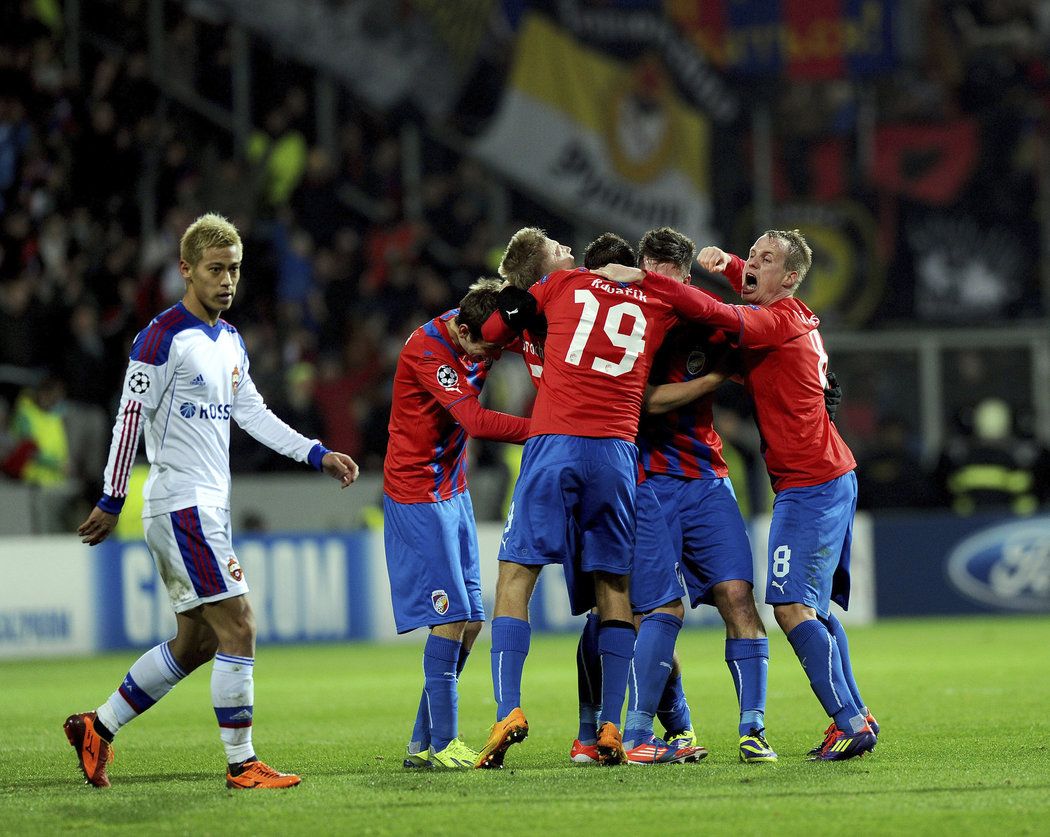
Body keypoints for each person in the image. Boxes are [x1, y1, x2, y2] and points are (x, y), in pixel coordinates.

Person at [65, 213, 360, 790]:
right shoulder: (160, 336)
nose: (227, 281)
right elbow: (129, 417)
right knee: (241, 625)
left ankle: (96, 727)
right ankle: (242, 763)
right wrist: (111, 495)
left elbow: (252, 413)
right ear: (186, 271)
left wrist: (315, 453)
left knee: (196, 642)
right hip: (181, 505)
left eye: (235, 270)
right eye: (215, 270)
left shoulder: (230, 342)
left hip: (204, 507)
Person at [595, 229, 879, 761]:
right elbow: (748, 288)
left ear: (791, 278)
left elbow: (724, 312)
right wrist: (727, 261)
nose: (750, 266)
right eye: (751, 255)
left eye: (764, 260)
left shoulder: (774, 320)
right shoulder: (783, 312)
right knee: (807, 608)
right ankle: (855, 715)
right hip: (819, 475)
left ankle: (845, 722)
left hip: (810, 482)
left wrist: (644, 278)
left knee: (790, 606)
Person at [474, 227, 682, 769]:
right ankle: (612, 725)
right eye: (559, 249)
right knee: (615, 584)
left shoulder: (561, 287)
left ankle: (508, 709)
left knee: (516, 573)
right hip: (615, 449)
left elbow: (494, 325)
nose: (568, 253)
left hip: (555, 441)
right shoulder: (653, 299)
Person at [633, 227, 777, 764]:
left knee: (738, 597)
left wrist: (809, 380)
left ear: (686, 282)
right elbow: (646, 401)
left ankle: (753, 728)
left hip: (706, 481)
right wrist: (716, 378)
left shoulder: (708, 319)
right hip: (646, 481)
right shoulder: (628, 325)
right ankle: (650, 731)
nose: (659, 296)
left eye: (669, 285)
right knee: (652, 612)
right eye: (651, 282)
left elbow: (759, 349)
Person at [384, 278, 531, 771]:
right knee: (449, 618)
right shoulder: (428, 350)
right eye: (487, 349)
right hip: (417, 495)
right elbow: (477, 421)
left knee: (470, 621)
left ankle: (418, 744)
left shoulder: (482, 324)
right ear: (464, 331)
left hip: (454, 490)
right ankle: (445, 743)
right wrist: (547, 431)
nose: (493, 355)